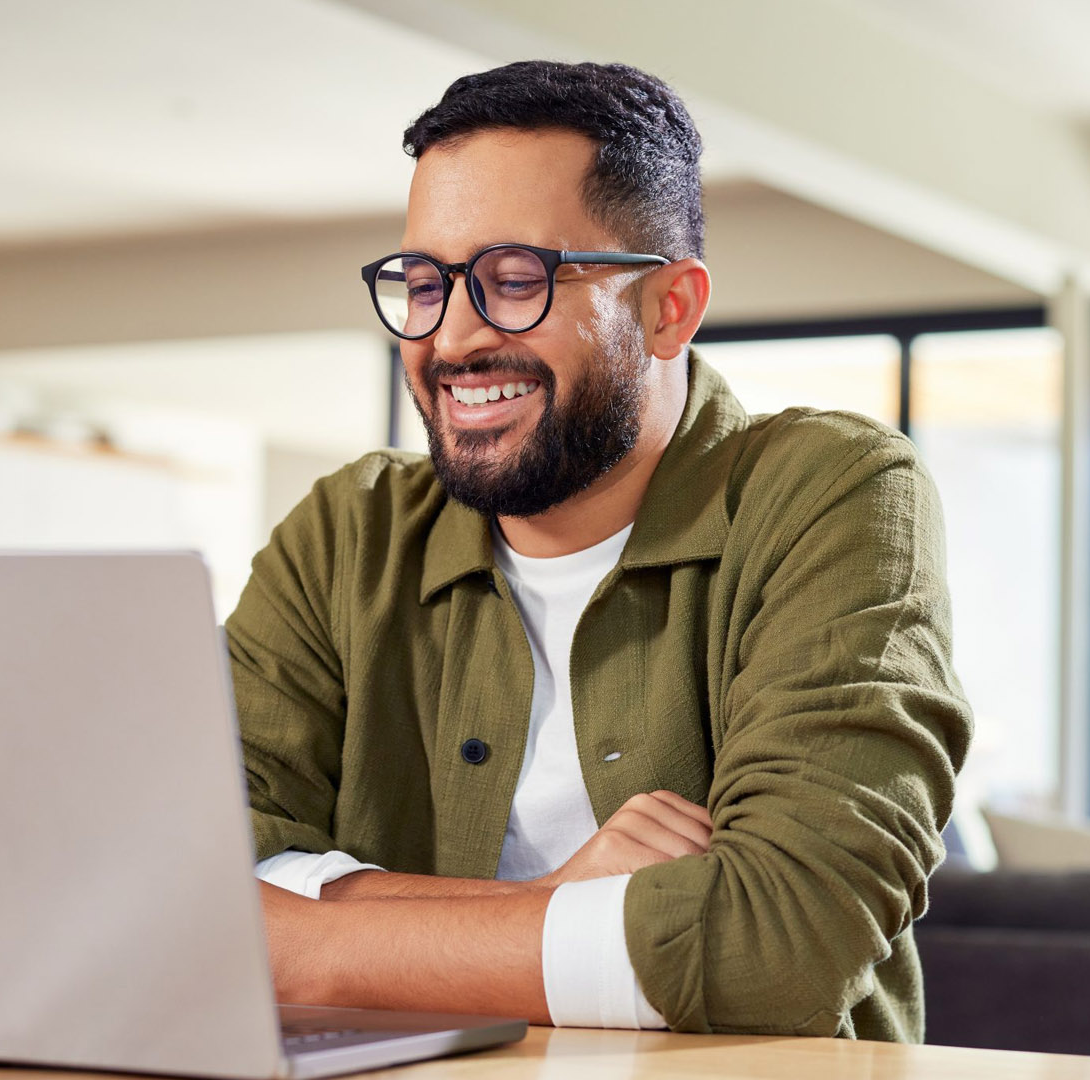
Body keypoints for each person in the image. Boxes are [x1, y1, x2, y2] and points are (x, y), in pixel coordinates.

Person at [232, 59, 972, 1041]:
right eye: (423, 282)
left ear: (668, 308)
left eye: (515, 280)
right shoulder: (346, 532)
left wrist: (308, 945)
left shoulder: (829, 493)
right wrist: (561, 904)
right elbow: (186, 874)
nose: (450, 339)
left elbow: (784, 941)